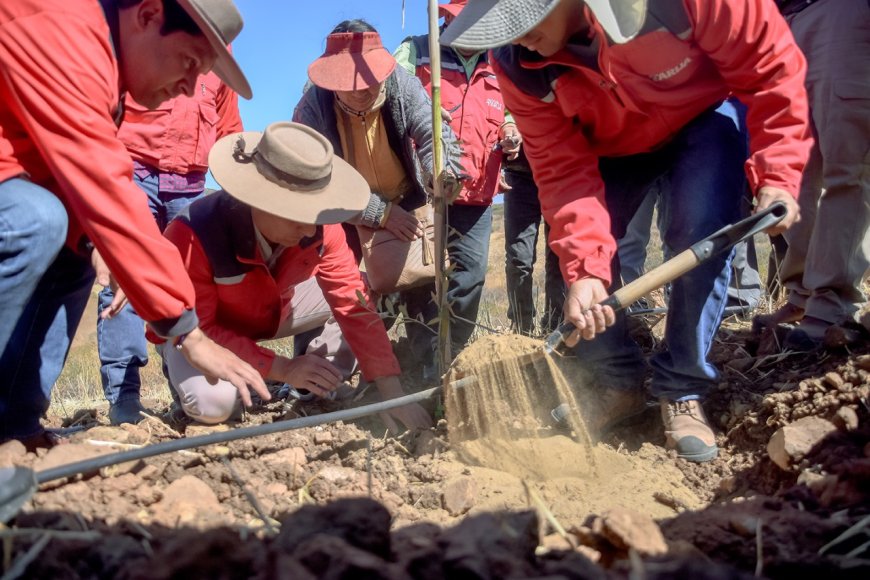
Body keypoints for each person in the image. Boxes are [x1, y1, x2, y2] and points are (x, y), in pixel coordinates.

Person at [441, 0, 810, 462]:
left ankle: (681, 386)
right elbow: (561, 169)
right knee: (575, 268)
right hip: (611, 149)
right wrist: (585, 268)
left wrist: (778, 171)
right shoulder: (518, 65)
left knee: (699, 228)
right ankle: (616, 382)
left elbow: (769, 64)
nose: (517, 36)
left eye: (525, 19)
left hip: (705, 117)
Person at [0, 0, 267, 450]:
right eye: (187, 62)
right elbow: (100, 179)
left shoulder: (107, 59)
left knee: (76, 246)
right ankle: (118, 395)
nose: (187, 88)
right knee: (37, 221)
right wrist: (187, 331)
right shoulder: (65, 28)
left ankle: (13, 426)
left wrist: (103, 245)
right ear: (147, 15)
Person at [160, 121, 433, 432]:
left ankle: (316, 379)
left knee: (364, 290)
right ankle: (189, 375)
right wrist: (281, 367)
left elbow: (352, 303)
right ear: (259, 199)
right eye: (298, 216)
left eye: (314, 213)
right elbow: (200, 328)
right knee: (214, 405)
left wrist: (393, 395)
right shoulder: (194, 233)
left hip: (273, 311)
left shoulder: (318, 225)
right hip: (200, 332)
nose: (308, 230)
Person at [293, 20, 458, 380]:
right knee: (338, 287)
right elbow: (316, 179)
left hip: (405, 197)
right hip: (340, 211)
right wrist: (378, 213)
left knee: (421, 284)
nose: (362, 90)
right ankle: (314, 381)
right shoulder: (312, 108)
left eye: (369, 81)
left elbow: (431, 130)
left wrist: (440, 171)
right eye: (351, 85)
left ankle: (423, 372)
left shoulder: (403, 83)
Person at [98, 72, 243, 426]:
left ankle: (184, 389)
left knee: (189, 286)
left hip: (192, 183)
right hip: (134, 173)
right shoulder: (155, 35)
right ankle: (123, 396)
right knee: (126, 282)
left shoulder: (221, 63)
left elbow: (229, 130)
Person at [394, 0, 509, 367]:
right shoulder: (417, 49)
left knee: (471, 278)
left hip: (477, 190)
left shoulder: (501, 60)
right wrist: (420, 107)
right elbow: (389, 89)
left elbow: (513, 108)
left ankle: (452, 358)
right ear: (445, 18)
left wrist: (511, 126)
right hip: (425, 191)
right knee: (423, 279)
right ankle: (422, 361)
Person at [755, 0, 870, 350]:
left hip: (841, 13)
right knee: (794, 172)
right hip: (780, 18)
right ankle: (803, 293)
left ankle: (831, 305)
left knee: (845, 168)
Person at [502, 147, 565, 335]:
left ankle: (556, 327)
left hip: (560, 174)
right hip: (519, 175)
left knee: (559, 257)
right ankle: (522, 328)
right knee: (518, 259)